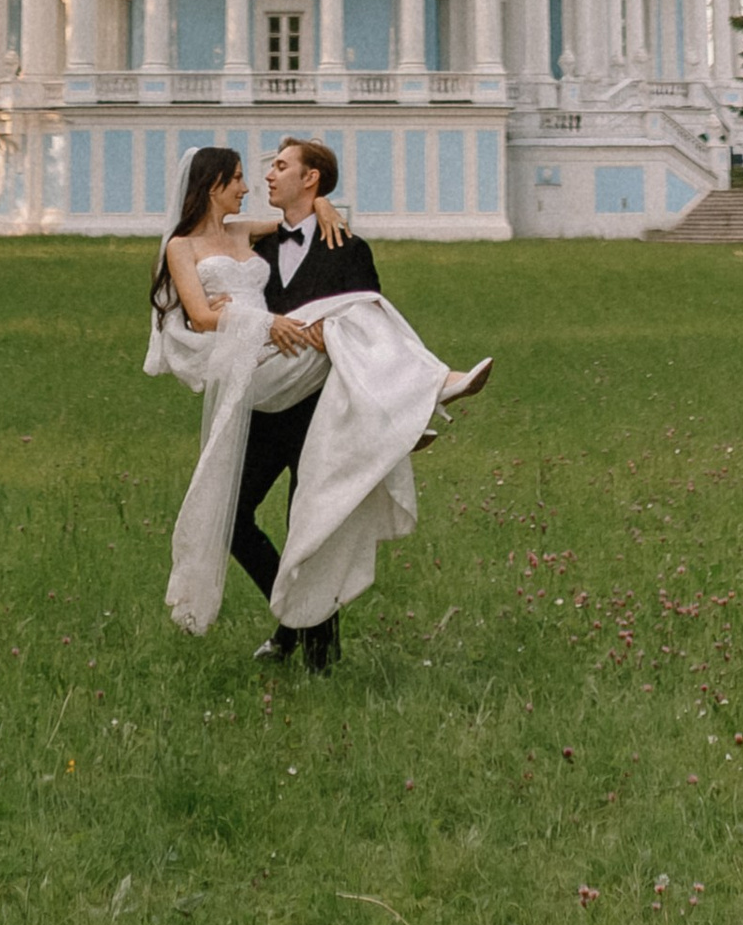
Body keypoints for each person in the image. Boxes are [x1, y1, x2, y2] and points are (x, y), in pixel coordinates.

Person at [146, 133, 493, 666]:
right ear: (214, 184)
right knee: (232, 519)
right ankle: (410, 407)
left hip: (317, 403)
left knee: (315, 523)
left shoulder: (345, 246)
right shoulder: (251, 242)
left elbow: (368, 313)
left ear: (308, 178)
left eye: (278, 167)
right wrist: (264, 320)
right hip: (259, 398)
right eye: (244, 174)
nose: (259, 179)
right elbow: (204, 307)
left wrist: (325, 202)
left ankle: (318, 652)